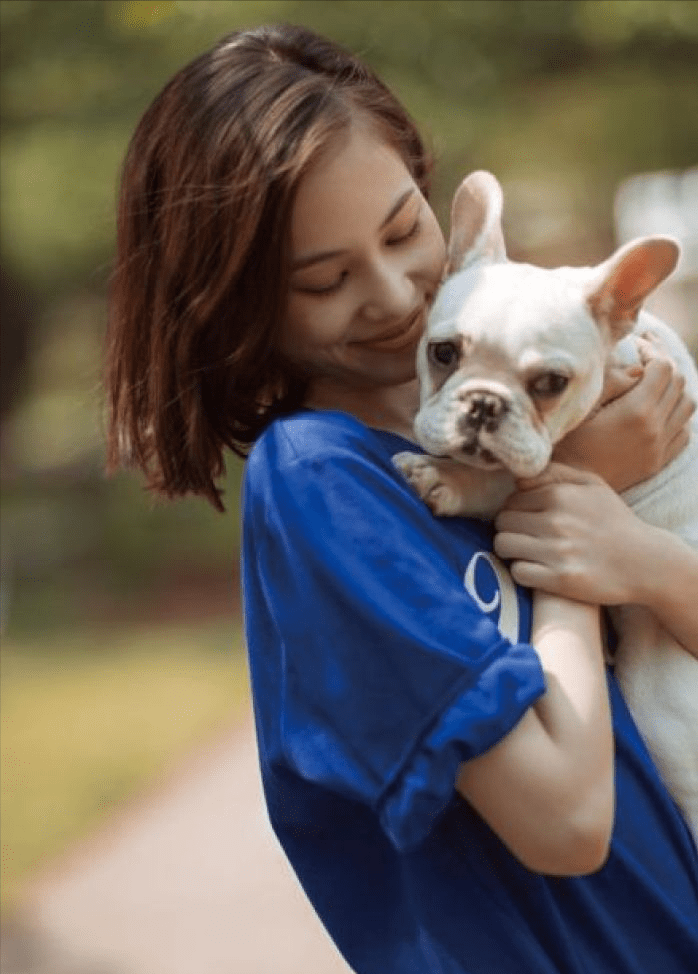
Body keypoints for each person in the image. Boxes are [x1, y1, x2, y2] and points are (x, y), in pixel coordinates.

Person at [104, 23, 698, 974]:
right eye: (326, 279)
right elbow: (568, 821)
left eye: (403, 229)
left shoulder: (564, 387)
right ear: (229, 303)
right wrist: (576, 495)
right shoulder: (322, 481)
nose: (390, 295)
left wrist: (647, 554)